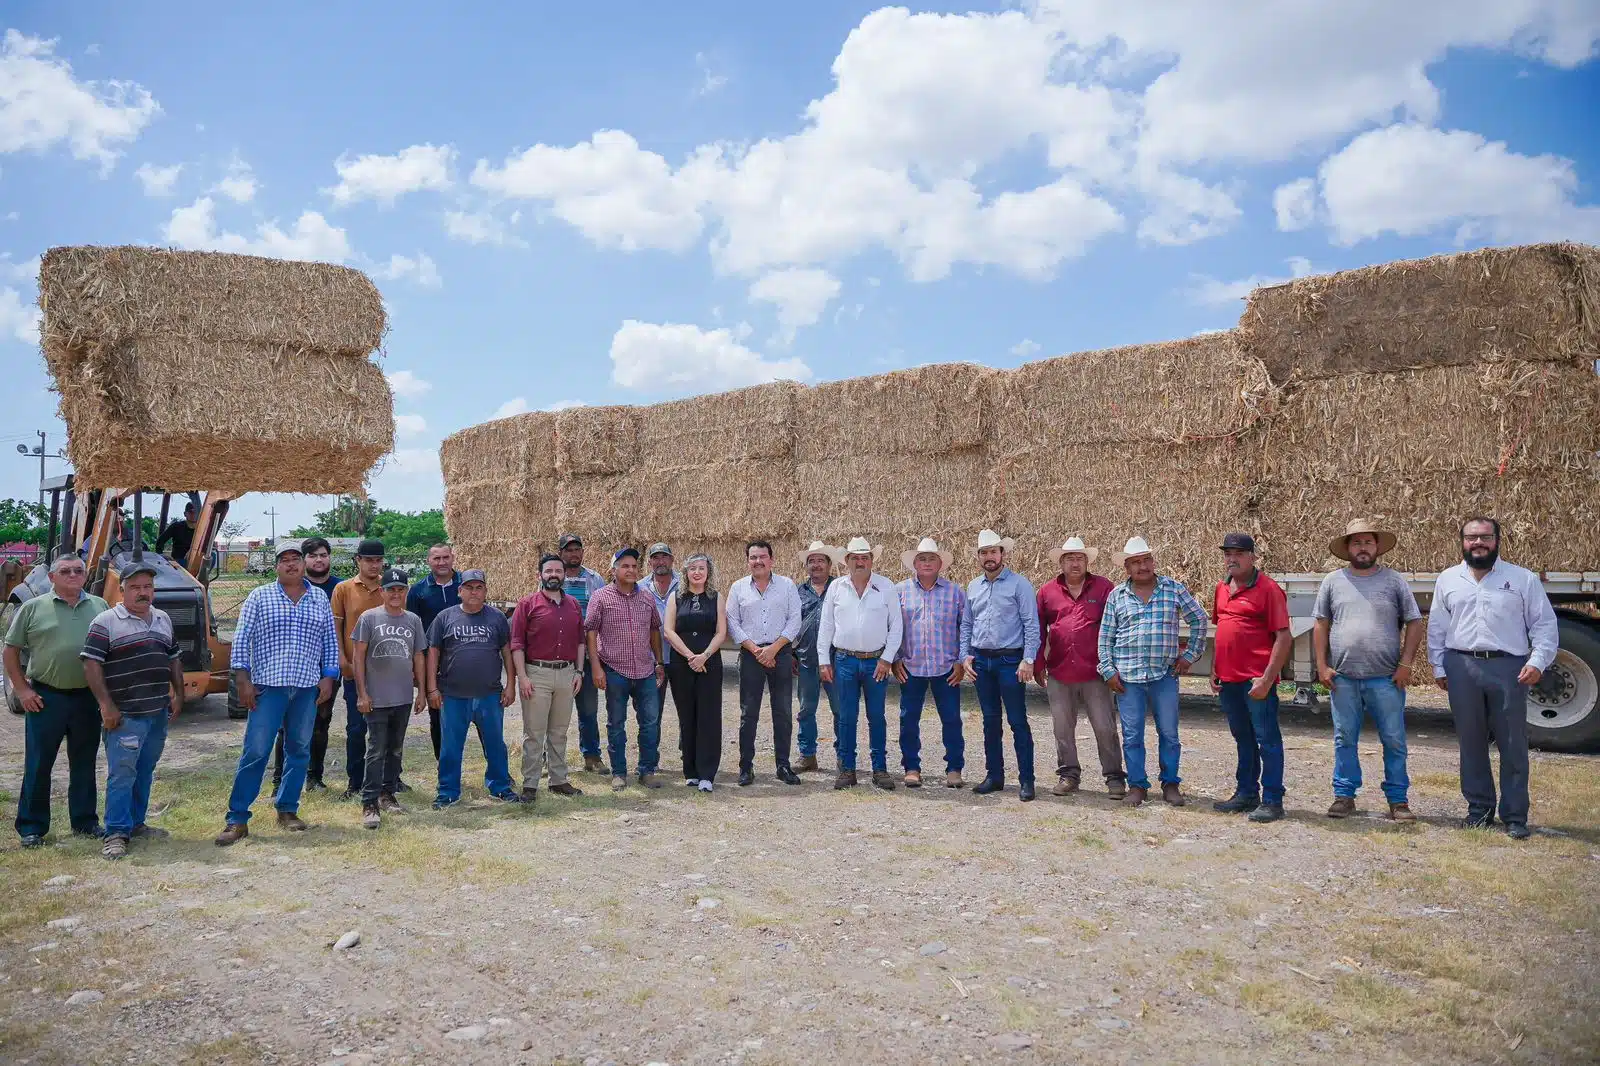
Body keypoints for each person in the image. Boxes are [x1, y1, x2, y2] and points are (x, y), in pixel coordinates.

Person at [1428, 517, 1558, 840]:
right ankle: (1479, 811)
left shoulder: (1522, 579)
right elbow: (1437, 628)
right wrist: (1439, 667)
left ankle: (1515, 816)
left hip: (1508, 668)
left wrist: (1538, 661)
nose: (1478, 543)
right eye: (1472, 537)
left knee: (1512, 744)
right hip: (1462, 666)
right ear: (1462, 542)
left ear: (1498, 541)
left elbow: (1544, 625)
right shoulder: (1448, 580)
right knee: (1471, 742)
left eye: (1485, 537)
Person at [216, 540, 339, 845]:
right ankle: (237, 818)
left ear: (303, 564)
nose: (291, 564)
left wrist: (329, 677)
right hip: (267, 687)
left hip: (306, 686)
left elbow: (330, 642)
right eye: (284, 559)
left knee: (298, 749)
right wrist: (242, 679)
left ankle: (287, 809)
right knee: (256, 751)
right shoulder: (260, 596)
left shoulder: (319, 600)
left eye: (295, 558)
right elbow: (241, 639)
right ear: (276, 566)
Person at [1313, 518, 1425, 822]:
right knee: (1344, 738)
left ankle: (1398, 800)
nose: (1363, 548)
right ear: (1348, 548)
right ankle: (1344, 795)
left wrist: (1405, 664)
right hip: (1343, 678)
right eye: (1357, 542)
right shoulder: (1333, 581)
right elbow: (1321, 624)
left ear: (1377, 547)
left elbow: (1414, 622)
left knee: (1394, 739)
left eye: (1368, 542)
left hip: (1386, 679)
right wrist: (1322, 666)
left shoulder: (1394, 581)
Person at [80, 560, 183, 858]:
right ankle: (115, 832)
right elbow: (91, 664)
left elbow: (174, 656)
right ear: (122, 590)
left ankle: (137, 823)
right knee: (122, 774)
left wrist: (178, 694)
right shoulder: (106, 622)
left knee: (145, 770)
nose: (142, 592)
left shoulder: (162, 618)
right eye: (135, 587)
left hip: (157, 713)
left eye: (147, 587)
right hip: (125, 715)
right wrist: (106, 706)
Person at [4, 555, 109, 847]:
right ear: (52, 578)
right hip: (46, 697)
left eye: (78, 570)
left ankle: (85, 822)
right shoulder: (33, 608)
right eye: (65, 571)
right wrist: (23, 690)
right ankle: (32, 827)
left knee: (85, 763)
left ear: (85, 575)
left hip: (86, 699)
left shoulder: (100, 607)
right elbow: (10, 651)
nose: (73, 575)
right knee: (39, 764)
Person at [1097, 536, 1209, 808]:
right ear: (1127, 568)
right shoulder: (1116, 596)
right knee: (1132, 735)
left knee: (1169, 733)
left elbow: (1199, 619)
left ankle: (1170, 783)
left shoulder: (1173, 589)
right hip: (1128, 679)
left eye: (1146, 560)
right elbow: (1105, 637)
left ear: (1153, 561)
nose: (1142, 566)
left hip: (1164, 676)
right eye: (1136, 562)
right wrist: (1108, 671)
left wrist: (1190, 656)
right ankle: (1137, 786)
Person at [1209, 533, 1292, 823]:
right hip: (1229, 680)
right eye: (1227, 553)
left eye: (1239, 553)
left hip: (1256, 680)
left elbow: (1283, 637)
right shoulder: (1221, 587)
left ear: (1252, 557)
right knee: (1242, 738)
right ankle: (1246, 793)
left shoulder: (1269, 589)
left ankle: (1273, 800)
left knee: (1267, 739)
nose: (1232, 558)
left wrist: (1267, 679)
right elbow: (1222, 630)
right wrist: (1214, 669)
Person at [1033, 537, 1124, 798]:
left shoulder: (1104, 588)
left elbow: (1117, 626)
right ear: (1061, 563)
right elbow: (1039, 629)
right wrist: (1039, 663)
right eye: (1070, 558)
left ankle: (1114, 777)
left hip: (1096, 672)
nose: (1075, 563)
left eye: (1080, 558)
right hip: (1060, 671)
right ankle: (1069, 774)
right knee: (1062, 728)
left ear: (1087, 562)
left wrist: (1114, 665)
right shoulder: (1047, 591)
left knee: (1105, 726)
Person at [428, 569, 520, 808]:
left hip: (489, 694)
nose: (474, 592)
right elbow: (433, 653)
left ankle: (499, 786)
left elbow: (507, 652)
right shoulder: (444, 617)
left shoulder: (497, 618)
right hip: (453, 695)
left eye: (479, 587)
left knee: (495, 743)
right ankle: (448, 791)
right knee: (450, 746)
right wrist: (431, 688)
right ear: (460, 591)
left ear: (486, 591)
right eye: (469, 587)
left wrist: (511, 684)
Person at [960, 530, 1041, 801]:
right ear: (979, 557)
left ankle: (1026, 781)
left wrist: (1028, 659)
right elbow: (968, 625)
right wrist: (965, 656)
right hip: (982, 661)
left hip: (1010, 661)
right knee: (990, 721)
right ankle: (994, 776)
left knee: (1018, 721)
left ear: (1002, 554)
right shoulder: (973, 587)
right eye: (984, 552)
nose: (989, 557)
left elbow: (1032, 624)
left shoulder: (1020, 585)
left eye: (993, 551)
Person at [819, 538, 903, 790]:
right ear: (846, 561)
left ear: (872, 560)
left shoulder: (886, 586)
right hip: (844, 660)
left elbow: (896, 625)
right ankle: (847, 769)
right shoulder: (836, 588)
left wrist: (887, 658)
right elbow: (826, 626)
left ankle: (880, 769)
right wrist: (824, 660)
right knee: (846, 716)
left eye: (864, 557)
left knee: (876, 716)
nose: (860, 561)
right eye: (855, 557)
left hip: (875, 662)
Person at [351, 568, 428, 829]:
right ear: (382, 591)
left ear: (406, 592)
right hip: (376, 697)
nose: (395, 594)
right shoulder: (369, 618)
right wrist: (362, 693)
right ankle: (369, 801)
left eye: (400, 589)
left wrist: (422, 691)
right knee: (376, 749)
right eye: (390, 589)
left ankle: (388, 792)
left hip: (403, 696)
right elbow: (358, 657)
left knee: (395, 748)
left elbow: (418, 656)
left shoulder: (413, 621)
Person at [585, 547, 666, 790]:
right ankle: (619, 772)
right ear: (614, 570)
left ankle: (646, 770)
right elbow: (591, 633)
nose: (630, 570)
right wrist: (597, 668)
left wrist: (659, 662)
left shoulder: (647, 597)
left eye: (633, 566)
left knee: (650, 722)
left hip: (645, 670)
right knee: (616, 723)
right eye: (625, 566)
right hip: (614, 670)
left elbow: (654, 631)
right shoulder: (601, 597)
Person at [725, 539, 803, 787]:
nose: (757, 561)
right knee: (749, 714)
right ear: (747, 560)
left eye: (762, 557)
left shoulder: (787, 586)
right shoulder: (738, 588)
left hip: (780, 654)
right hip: (751, 655)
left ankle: (783, 765)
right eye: (753, 557)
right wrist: (756, 649)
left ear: (772, 560)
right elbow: (732, 622)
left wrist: (774, 648)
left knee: (783, 712)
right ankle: (746, 767)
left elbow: (795, 620)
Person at [510, 554, 586, 802]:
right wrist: (522, 677)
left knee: (559, 731)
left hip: (566, 673)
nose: (554, 575)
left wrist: (579, 671)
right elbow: (517, 644)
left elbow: (580, 642)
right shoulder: (527, 604)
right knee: (534, 732)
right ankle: (530, 783)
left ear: (564, 575)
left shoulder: (574, 604)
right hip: (537, 673)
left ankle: (558, 780)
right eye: (549, 571)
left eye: (558, 571)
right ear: (539, 575)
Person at [895, 538, 967, 789]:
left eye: (931, 558)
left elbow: (965, 628)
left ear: (941, 564)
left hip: (946, 667)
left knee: (951, 719)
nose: (926, 563)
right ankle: (911, 767)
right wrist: (894, 659)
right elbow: (891, 629)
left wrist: (961, 661)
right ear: (914, 563)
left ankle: (954, 768)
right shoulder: (899, 591)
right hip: (911, 666)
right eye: (922, 559)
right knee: (908, 718)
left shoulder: (956, 592)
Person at [271, 535, 340, 793]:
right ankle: (280, 779)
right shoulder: (292, 588)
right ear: (304, 561)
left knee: (321, 722)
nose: (318, 560)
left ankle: (314, 777)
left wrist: (331, 671)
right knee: (285, 725)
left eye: (323, 554)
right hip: (293, 668)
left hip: (325, 669)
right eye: (312, 555)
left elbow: (335, 636)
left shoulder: (340, 589)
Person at [663, 553, 727, 791]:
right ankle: (690, 770)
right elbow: (669, 630)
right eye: (692, 569)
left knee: (709, 717)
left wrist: (704, 656)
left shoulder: (717, 597)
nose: (697, 572)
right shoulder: (676, 598)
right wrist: (690, 656)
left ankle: (707, 774)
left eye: (701, 568)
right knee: (686, 716)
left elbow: (721, 632)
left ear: (708, 571)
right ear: (685, 572)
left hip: (710, 663)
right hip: (682, 664)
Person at [330, 539, 386, 799]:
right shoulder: (343, 589)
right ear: (358, 560)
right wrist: (342, 659)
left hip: (386, 671)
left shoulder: (391, 587)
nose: (374, 565)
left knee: (387, 728)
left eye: (378, 560)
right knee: (356, 728)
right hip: (356, 670)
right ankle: (355, 781)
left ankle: (389, 779)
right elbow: (337, 628)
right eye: (368, 560)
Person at [559, 534, 608, 773]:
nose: (574, 554)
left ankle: (592, 756)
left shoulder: (594, 578)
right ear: (561, 554)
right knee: (555, 711)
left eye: (577, 549)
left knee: (588, 709)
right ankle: (551, 759)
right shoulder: (553, 577)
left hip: (588, 654)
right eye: (568, 550)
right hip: (560, 654)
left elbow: (604, 612)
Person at [407, 543, 461, 760]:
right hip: (433, 662)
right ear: (428, 561)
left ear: (453, 558)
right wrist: (414, 667)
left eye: (445, 557)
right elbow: (411, 628)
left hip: (463, 659)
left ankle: (494, 768)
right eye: (436, 558)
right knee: (437, 714)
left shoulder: (466, 584)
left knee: (476, 714)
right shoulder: (418, 591)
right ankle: (443, 765)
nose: (442, 562)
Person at [793, 541, 839, 773]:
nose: (816, 565)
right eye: (812, 561)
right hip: (806, 661)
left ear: (830, 565)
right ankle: (807, 754)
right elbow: (790, 625)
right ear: (807, 566)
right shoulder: (797, 592)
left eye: (821, 560)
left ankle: (844, 756)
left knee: (840, 709)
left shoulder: (841, 588)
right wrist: (792, 653)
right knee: (805, 709)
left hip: (837, 661)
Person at [645, 543, 679, 724]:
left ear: (672, 560)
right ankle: (651, 752)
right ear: (650, 562)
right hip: (652, 660)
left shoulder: (685, 584)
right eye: (656, 558)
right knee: (651, 713)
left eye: (664, 557)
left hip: (681, 658)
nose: (660, 561)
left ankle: (687, 751)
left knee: (686, 709)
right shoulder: (640, 587)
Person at [153, 499, 199, 564]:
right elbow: (160, 541)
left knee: (212, 555)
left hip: (195, 560)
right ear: (185, 514)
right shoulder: (176, 526)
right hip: (179, 560)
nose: (194, 514)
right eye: (191, 512)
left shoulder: (201, 530)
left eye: (196, 512)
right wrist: (161, 555)